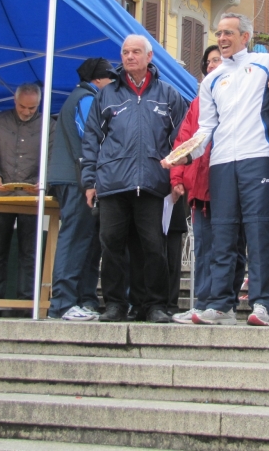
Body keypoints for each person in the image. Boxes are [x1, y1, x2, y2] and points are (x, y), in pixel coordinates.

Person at [164, 13, 269, 326]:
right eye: (219, 33)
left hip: (257, 156)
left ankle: (263, 304)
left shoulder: (264, 61)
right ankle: (219, 305)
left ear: (246, 36)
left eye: (229, 33)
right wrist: (182, 155)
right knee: (223, 235)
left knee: (258, 232)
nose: (223, 39)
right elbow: (205, 129)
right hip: (222, 162)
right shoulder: (211, 80)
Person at [82, 35, 187, 324]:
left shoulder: (169, 94)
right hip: (113, 183)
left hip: (154, 183)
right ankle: (115, 304)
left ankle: (153, 305)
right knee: (112, 244)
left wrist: (177, 178)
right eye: (125, 52)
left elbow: (181, 141)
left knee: (154, 246)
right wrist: (90, 181)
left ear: (149, 56)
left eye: (136, 52)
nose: (130, 57)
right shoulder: (106, 95)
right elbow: (91, 138)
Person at [171, 46, 246, 324]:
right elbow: (185, 140)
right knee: (204, 249)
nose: (214, 64)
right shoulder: (197, 103)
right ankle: (203, 303)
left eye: (219, 59)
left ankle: (224, 304)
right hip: (201, 188)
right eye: (210, 61)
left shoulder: (241, 95)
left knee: (233, 249)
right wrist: (177, 177)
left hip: (232, 183)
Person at [46, 58, 113, 321]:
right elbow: (94, 137)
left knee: (86, 239)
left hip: (75, 178)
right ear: (98, 80)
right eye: (109, 78)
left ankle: (84, 298)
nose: (112, 83)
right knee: (74, 239)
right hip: (76, 180)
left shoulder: (81, 96)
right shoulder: (87, 99)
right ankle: (62, 303)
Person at [0, 83, 48, 301]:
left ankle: (27, 298)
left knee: (30, 250)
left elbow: (52, 159)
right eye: (22, 107)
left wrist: (41, 181)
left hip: (31, 197)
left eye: (32, 108)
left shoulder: (49, 125)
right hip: (1, 195)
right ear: (14, 101)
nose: (27, 111)